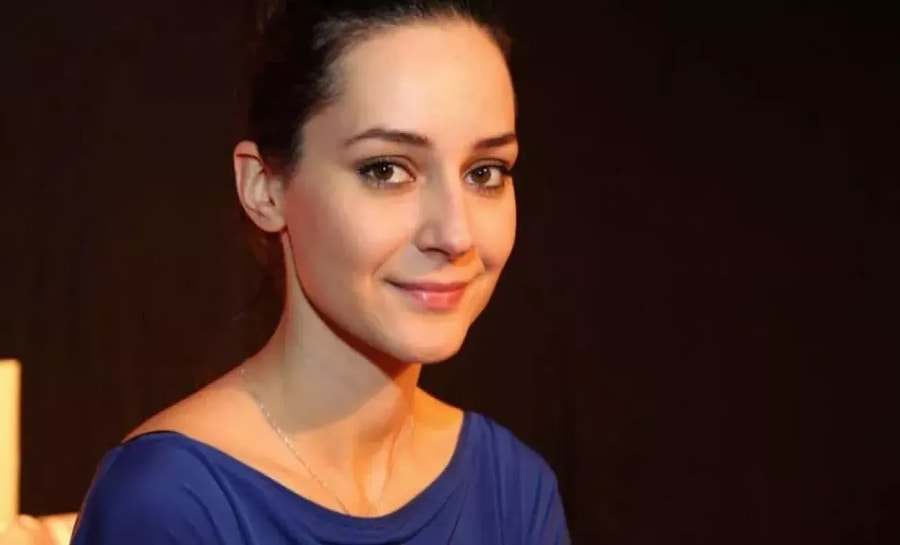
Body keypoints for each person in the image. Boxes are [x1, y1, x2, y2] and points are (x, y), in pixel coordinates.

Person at [66, 0, 571, 543]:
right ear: (264, 189)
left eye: (485, 173)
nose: (455, 234)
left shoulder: (513, 489)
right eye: (386, 169)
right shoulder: (168, 503)